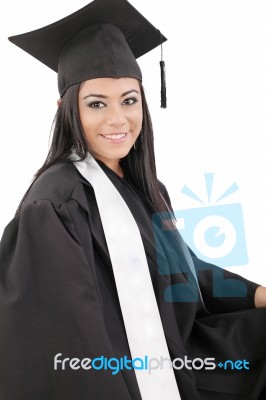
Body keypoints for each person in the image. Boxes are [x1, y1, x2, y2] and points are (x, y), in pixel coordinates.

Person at [1, 0, 266, 399]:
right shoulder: (56, 203)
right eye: (96, 104)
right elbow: (71, 335)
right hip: (128, 376)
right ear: (65, 110)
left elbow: (184, 270)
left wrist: (258, 294)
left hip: (183, 354)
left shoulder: (149, 186)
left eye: (128, 100)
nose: (117, 119)